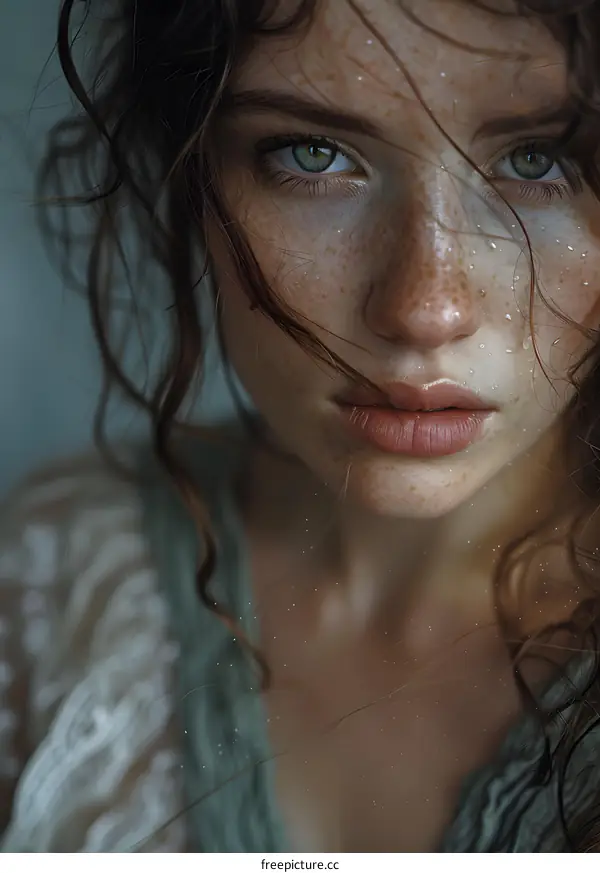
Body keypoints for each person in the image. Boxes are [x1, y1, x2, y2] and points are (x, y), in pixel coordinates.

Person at [2, 0, 600, 853]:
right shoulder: (54, 592)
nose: (425, 309)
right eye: (313, 155)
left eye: (539, 158)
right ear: (194, 174)